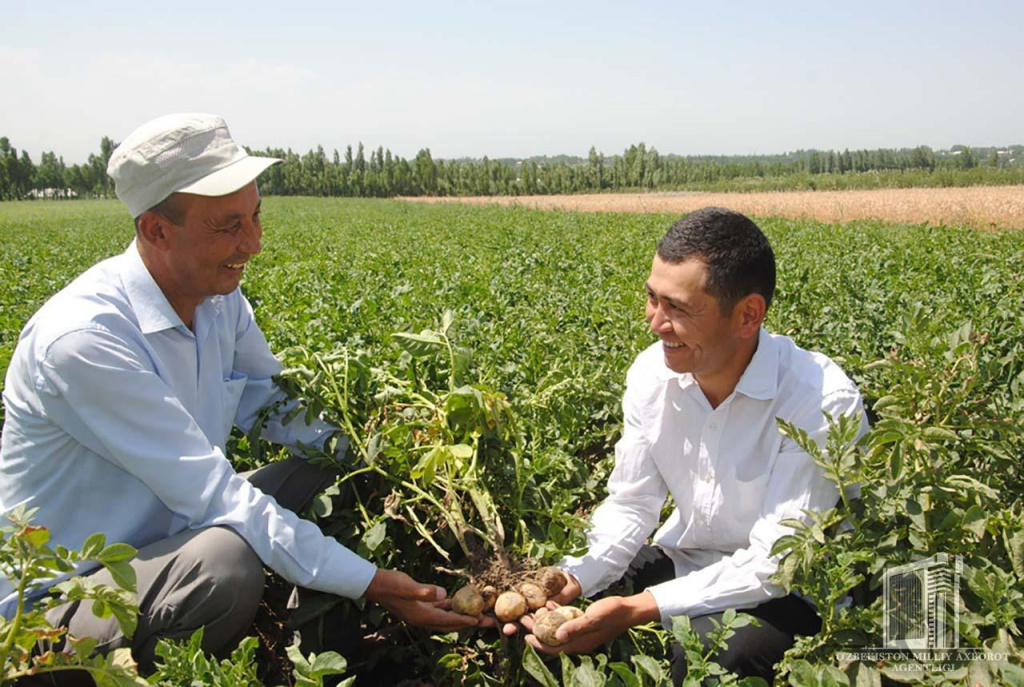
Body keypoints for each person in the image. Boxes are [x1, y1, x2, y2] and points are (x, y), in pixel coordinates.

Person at [0, 113, 478, 675]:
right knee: (225, 567)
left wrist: (392, 450)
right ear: (156, 229)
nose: (251, 243)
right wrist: (370, 583)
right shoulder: (82, 342)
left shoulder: (219, 300)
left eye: (255, 217)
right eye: (228, 226)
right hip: (58, 601)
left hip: (175, 529)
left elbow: (275, 403)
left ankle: (318, 635)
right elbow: (213, 495)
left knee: (336, 465)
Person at [519, 207, 868, 683]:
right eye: (651, 298)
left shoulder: (820, 401)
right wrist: (574, 578)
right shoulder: (651, 374)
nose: (655, 323)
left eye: (677, 308)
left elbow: (776, 563)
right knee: (554, 620)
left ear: (748, 315)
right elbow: (632, 502)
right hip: (686, 560)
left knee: (715, 656)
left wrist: (638, 608)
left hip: (789, 592)